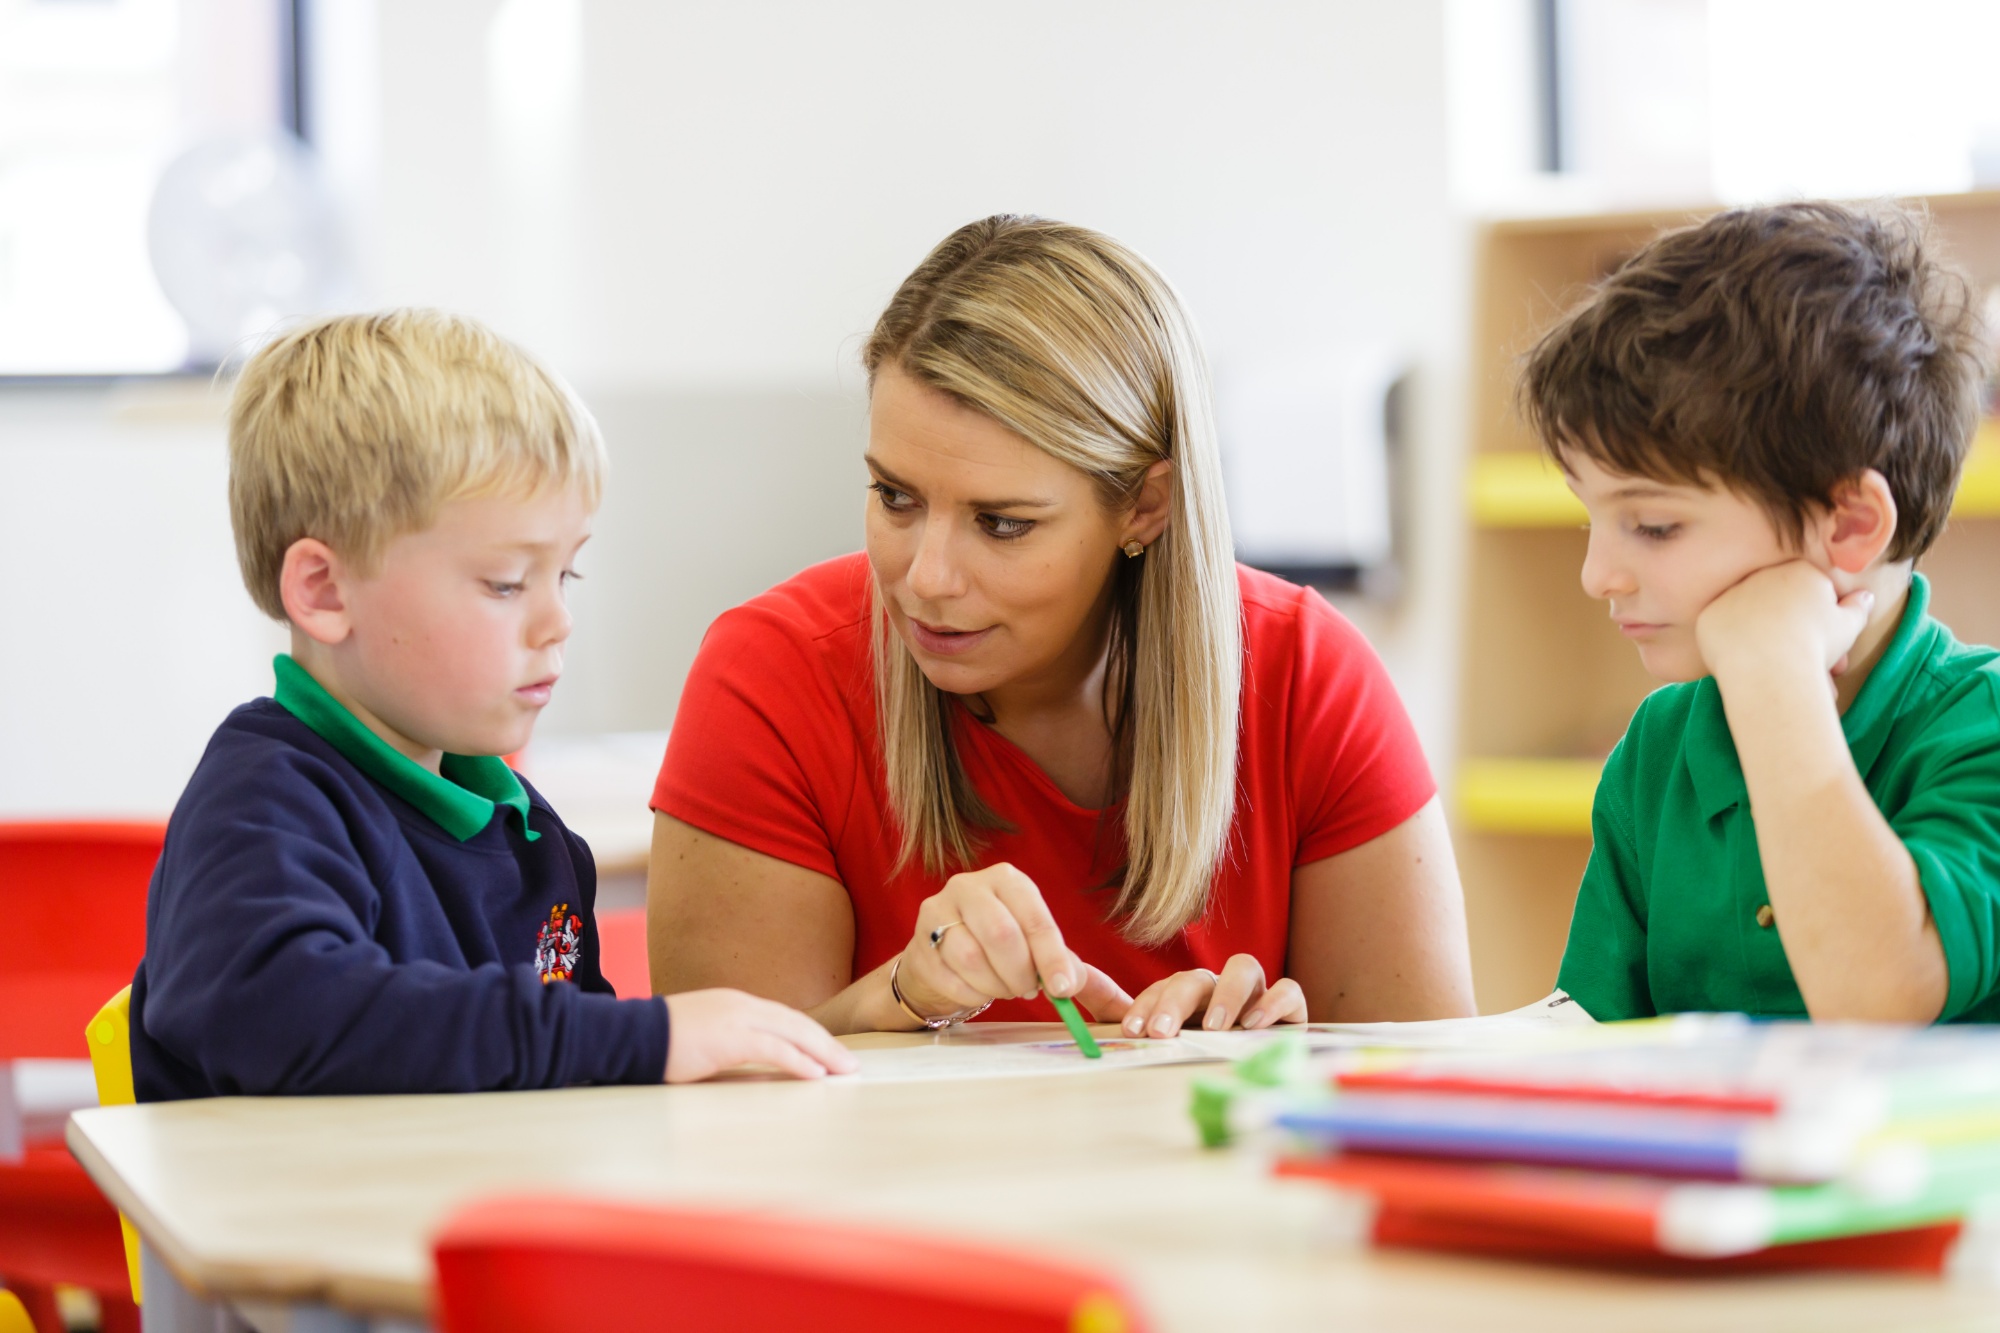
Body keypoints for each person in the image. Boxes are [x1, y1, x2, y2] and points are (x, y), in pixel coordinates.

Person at [648, 215, 1476, 1036]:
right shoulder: (771, 673)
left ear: (1145, 507)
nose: (925, 576)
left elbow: (1428, 1102)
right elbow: (731, 1116)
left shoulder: (1306, 674)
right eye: (895, 497)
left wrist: (1289, 1064)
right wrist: (899, 998)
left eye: (1002, 523)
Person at [129, 310, 854, 1099]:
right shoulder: (266, 801)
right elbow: (280, 1013)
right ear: (324, 590)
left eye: (565, 576)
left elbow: (574, 1081)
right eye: (506, 582)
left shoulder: (535, 841)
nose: (557, 621)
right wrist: (644, 1038)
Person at [1522, 200, 2000, 1023]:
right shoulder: (1656, 753)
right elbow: (1587, 1049)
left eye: (1656, 525)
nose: (1599, 573)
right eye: (1588, 514)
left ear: (1850, 525)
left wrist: (1775, 671)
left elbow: (1879, 993)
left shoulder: (1980, 726)